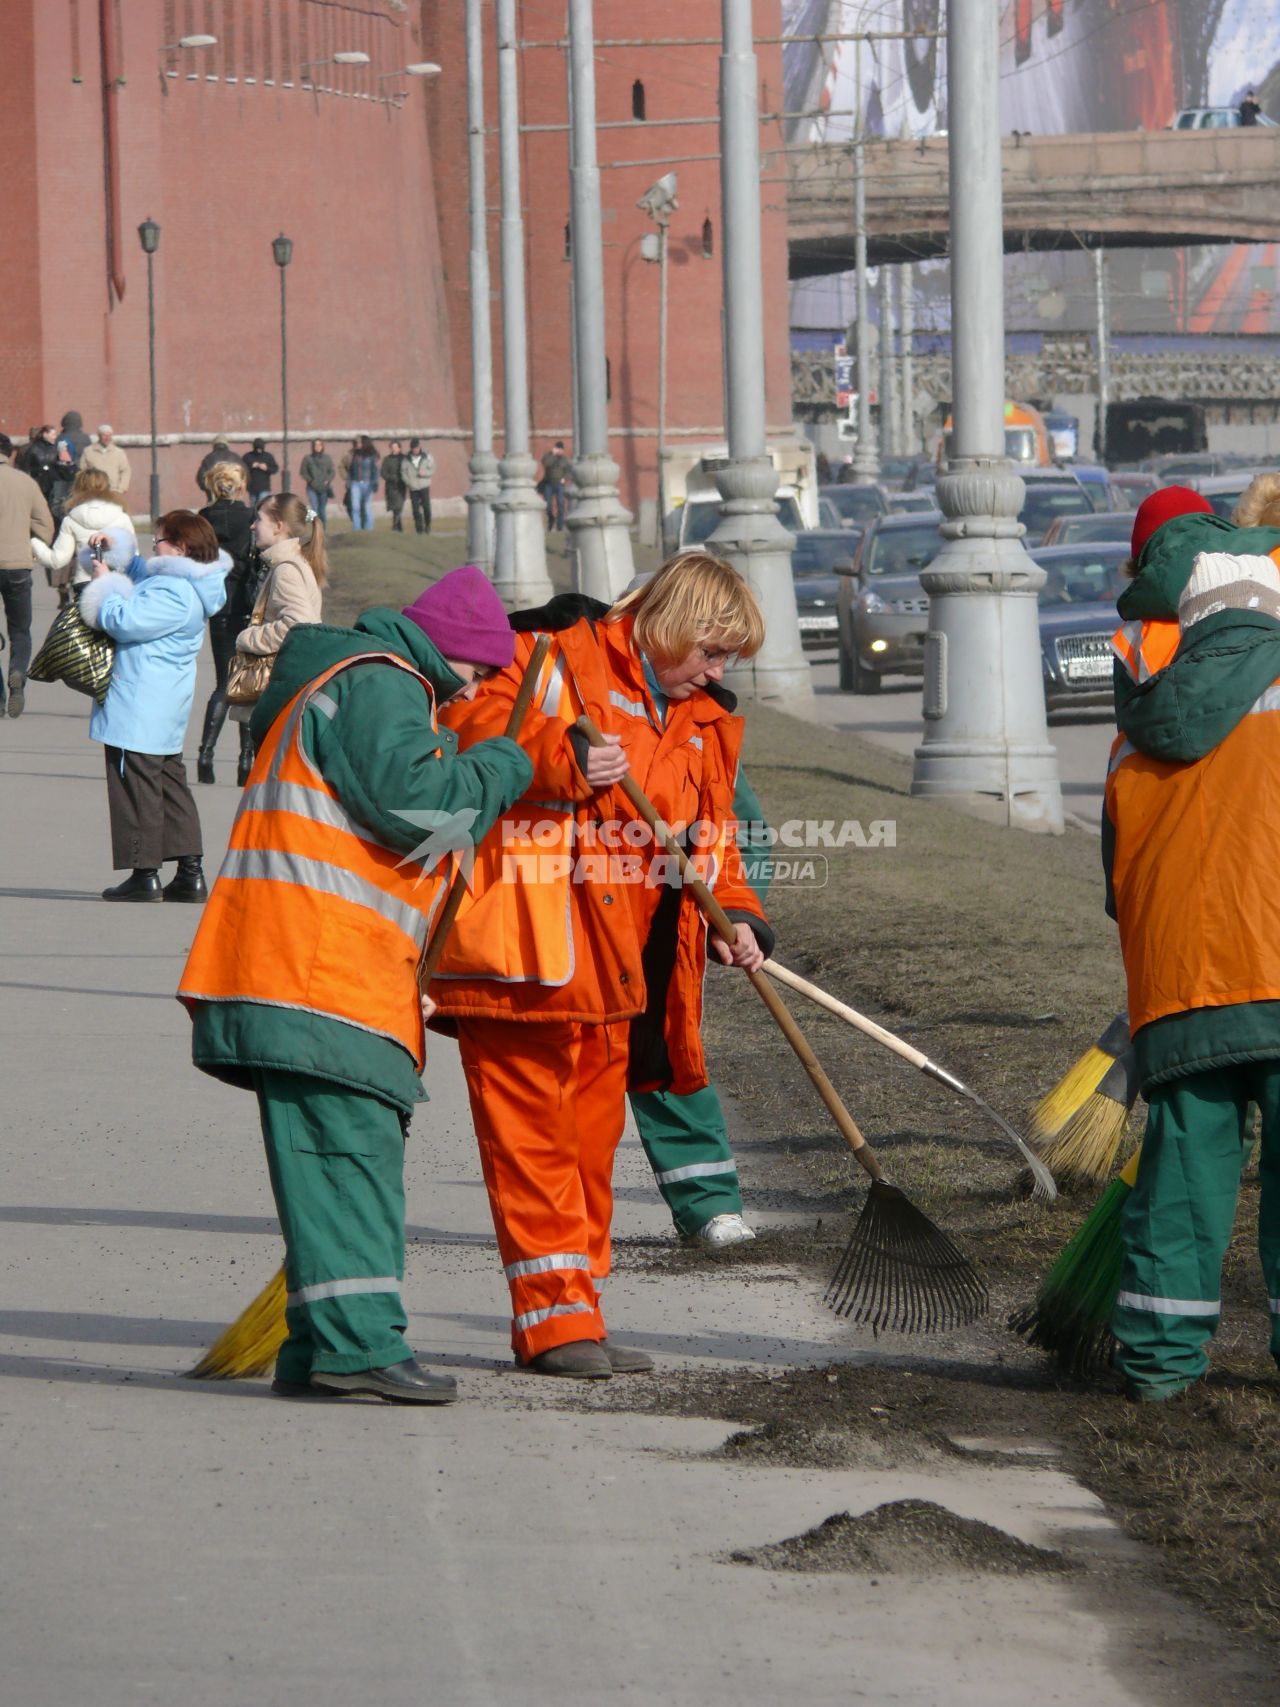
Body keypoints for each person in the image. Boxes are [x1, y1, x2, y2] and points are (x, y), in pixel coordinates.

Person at [177, 565, 535, 1403]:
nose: (474, 690)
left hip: (306, 968)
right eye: (479, 673)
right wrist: (499, 771)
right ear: (454, 654)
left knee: (330, 1159)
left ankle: (316, 1346)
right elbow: (419, 807)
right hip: (316, 973)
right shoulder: (383, 684)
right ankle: (361, 1345)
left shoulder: (348, 682)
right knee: (350, 1157)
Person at [429, 552, 772, 1377]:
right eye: (712, 652)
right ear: (672, 625)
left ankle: (581, 1305)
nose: (718, 673)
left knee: (588, 1146)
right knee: (534, 1144)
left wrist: (738, 915)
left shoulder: (703, 719)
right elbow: (469, 731)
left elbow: (709, 835)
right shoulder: (553, 653)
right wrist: (564, 758)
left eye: (728, 659)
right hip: (530, 950)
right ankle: (553, 1324)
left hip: (623, 970)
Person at [1105, 546, 1280, 1403]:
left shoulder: (1135, 728)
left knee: (1182, 1180)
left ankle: (1159, 1365)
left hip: (1179, 991)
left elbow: (1115, 885)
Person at [78, 513, 229, 901]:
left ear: (180, 547)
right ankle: (188, 872)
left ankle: (144, 872)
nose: (152, 547)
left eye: (158, 540)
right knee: (168, 784)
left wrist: (103, 588)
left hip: (141, 700)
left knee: (135, 785)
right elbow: (135, 567)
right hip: (159, 701)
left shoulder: (172, 591)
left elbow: (121, 620)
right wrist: (110, 547)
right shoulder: (183, 581)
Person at [229, 493, 327, 783]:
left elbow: (300, 624)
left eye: (259, 519)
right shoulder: (292, 563)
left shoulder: (285, 569)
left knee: (272, 779)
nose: (252, 526)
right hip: (291, 687)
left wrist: (249, 637)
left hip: (281, 689)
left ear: (279, 526)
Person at [196, 462, 258, 785]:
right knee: (245, 685)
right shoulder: (250, 517)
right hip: (246, 608)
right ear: (240, 486)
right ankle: (245, 760)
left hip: (217, 606)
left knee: (222, 682)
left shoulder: (203, 518)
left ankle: (206, 752)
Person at [0, 433, 55, 718]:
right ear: (9, 454)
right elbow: (45, 523)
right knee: (20, 630)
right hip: (17, 565)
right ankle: (18, 672)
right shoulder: (25, 482)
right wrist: (33, 548)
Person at [30, 466, 134, 600]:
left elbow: (57, 560)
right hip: (117, 584)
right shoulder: (121, 516)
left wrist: (34, 541)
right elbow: (133, 556)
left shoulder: (71, 519)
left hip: (84, 585)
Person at [80, 424, 131, 499]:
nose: (107, 438)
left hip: (114, 492)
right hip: (94, 492)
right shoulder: (88, 451)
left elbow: (126, 471)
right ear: (99, 436)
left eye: (109, 435)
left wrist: (121, 488)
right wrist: (87, 488)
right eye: (104, 435)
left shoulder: (119, 453)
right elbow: (82, 471)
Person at [19, 426, 58, 502]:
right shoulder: (33, 449)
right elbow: (25, 469)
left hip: (53, 486)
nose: (55, 437)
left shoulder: (55, 449)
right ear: (45, 434)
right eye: (53, 434)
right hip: (38, 484)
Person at [300, 439, 335, 524]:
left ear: (322, 446)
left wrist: (328, 479)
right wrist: (310, 480)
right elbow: (303, 472)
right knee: (314, 509)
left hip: (324, 488)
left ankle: (323, 528)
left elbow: (332, 471)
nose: (317, 447)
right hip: (312, 487)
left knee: (322, 510)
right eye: (315, 445)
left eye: (319, 445)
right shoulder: (307, 458)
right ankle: (313, 526)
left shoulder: (327, 458)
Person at [403, 439, 434, 534]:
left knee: (426, 508)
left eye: (416, 448)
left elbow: (432, 469)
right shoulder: (406, 459)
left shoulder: (427, 457)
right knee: (415, 510)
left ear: (419, 447)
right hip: (413, 487)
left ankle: (428, 524)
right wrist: (408, 482)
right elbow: (403, 472)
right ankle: (419, 529)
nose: (415, 450)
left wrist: (425, 473)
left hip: (424, 485)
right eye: (413, 448)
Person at [540, 441, 571, 532]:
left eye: (561, 449)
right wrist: (552, 454)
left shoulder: (564, 460)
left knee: (561, 505)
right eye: (558, 449)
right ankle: (551, 519)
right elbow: (546, 463)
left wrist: (564, 478)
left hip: (559, 485)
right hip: (548, 484)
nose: (560, 451)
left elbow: (569, 471)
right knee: (548, 505)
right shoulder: (549, 457)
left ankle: (559, 525)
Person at [381, 440, 407, 532]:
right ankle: (398, 528)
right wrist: (391, 477)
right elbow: (383, 473)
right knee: (395, 508)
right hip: (391, 487)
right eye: (392, 447)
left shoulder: (404, 458)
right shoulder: (387, 459)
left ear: (399, 448)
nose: (394, 449)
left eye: (395, 447)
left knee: (399, 506)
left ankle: (395, 527)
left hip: (401, 486)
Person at [243, 439, 279, 504]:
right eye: (257, 449)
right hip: (252, 487)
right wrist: (251, 466)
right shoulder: (248, 456)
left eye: (260, 449)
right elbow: (242, 468)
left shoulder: (268, 456)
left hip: (264, 487)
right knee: (254, 507)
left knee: (262, 505)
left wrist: (266, 468)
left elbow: (275, 469)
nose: (258, 450)